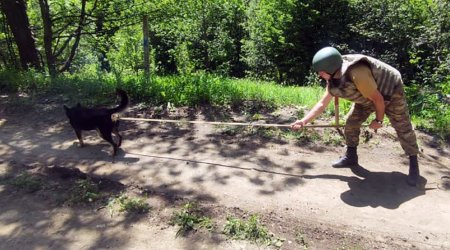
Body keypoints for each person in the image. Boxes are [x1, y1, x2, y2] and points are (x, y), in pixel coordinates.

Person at [290, 47, 420, 186]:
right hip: (367, 95)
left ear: (331, 68)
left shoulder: (357, 73)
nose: (319, 75)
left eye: (321, 72)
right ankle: (351, 156)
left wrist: (378, 120)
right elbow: (322, 104)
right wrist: (303, 121)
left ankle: (414, 165)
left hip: (390, 92)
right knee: (351, 122)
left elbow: (378, 100)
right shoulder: (333, 77)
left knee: (403, 127)